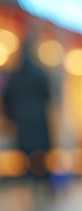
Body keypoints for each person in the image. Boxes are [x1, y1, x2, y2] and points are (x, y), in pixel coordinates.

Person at [3, 40, 52, 183]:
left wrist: (12, 116)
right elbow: (47, 95)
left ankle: (32, 180)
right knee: (41, 154)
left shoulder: (15, 76)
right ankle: (43, 180)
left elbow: (7, 99)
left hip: (22, 120)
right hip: (39, 120)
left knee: (28, 155)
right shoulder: (39, 74)